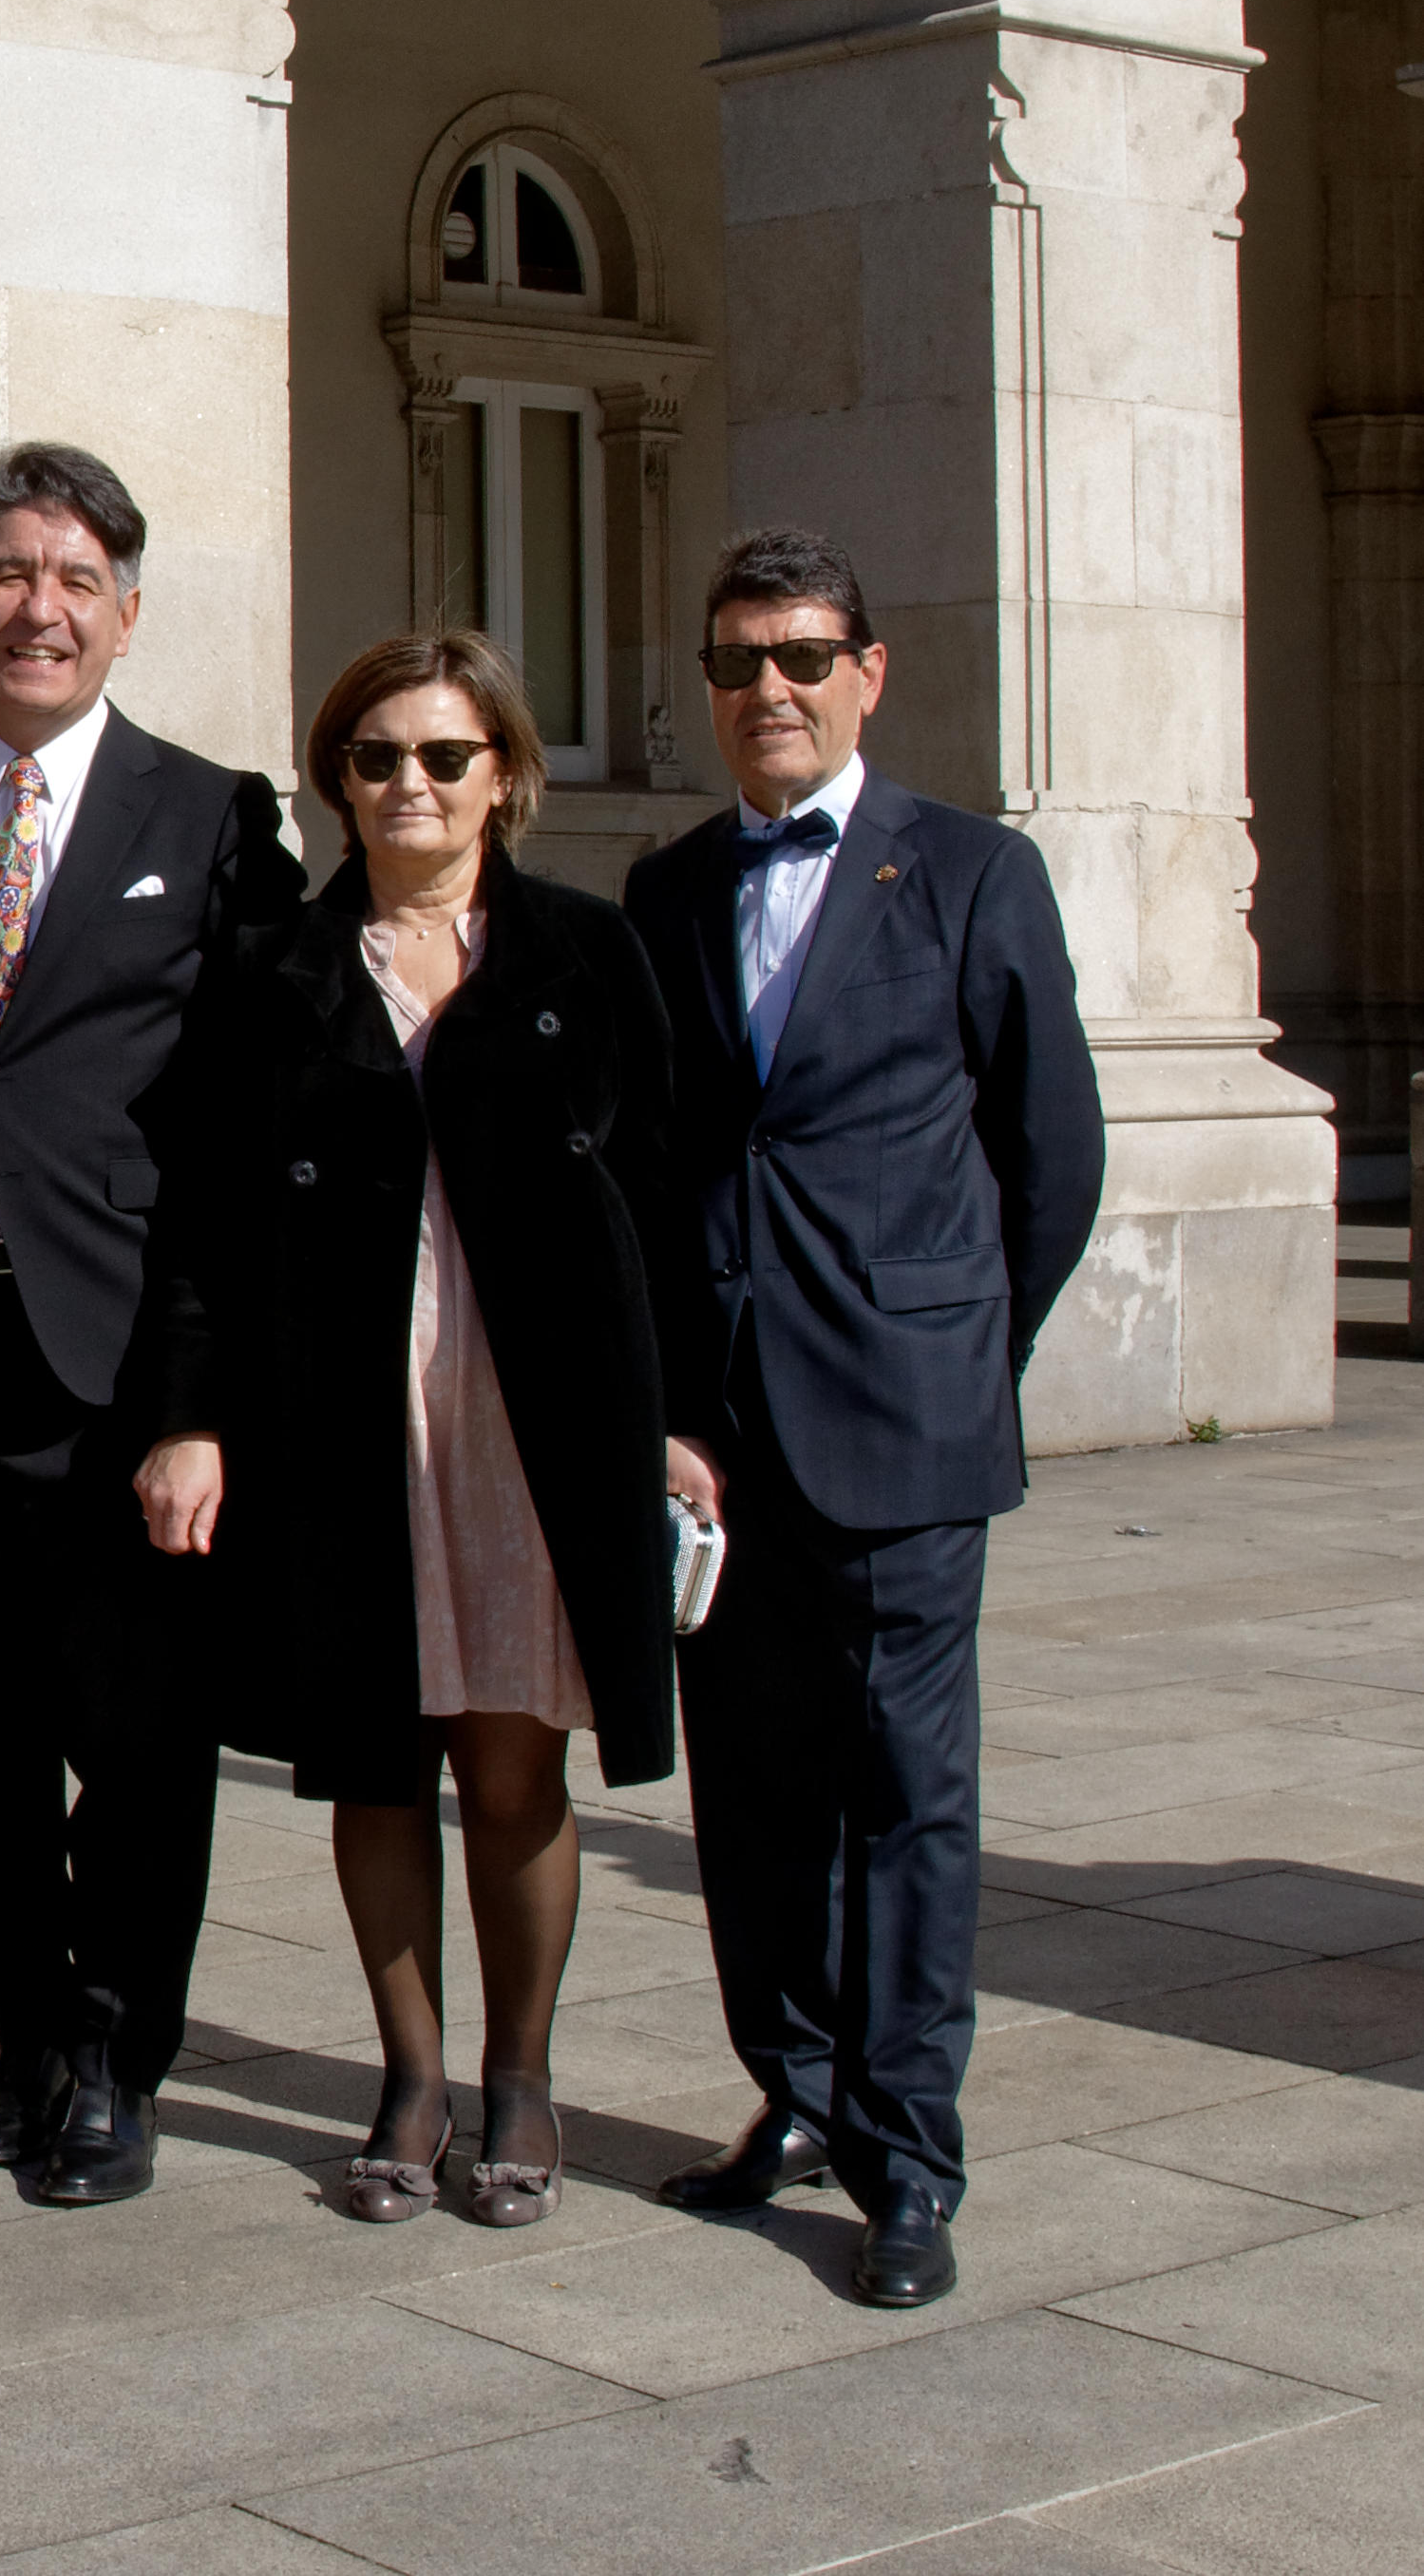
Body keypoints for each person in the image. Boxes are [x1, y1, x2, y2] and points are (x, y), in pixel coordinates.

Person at [136, 633, 680, 2228]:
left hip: (532, 1417)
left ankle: (521, 2080)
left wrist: (684, 1426)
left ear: (502, 773)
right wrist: (192, 1421)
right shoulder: (272, 974)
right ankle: (411, 2078)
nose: (409, 785)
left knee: (511, 1760)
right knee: (372, 1765)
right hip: (336, 1410)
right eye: (377, 759)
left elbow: (665, 1196)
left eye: (444, 756)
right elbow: (200, 1226)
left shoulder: (585, 955)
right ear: (339, 781)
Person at [624, 528, 1104, 2311]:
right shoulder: (667, 893)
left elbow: (1049, 1155)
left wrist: (962, 1353)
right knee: (748, 1801)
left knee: (907, 1798)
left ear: (868, 672)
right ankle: (797, 2098)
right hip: (722, 1452)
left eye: (804, 657)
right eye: (738, 660)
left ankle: (909, 2158)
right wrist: (669, 1407)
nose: (770, 690)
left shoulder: (971, 875)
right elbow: (664, 1173)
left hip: (905, 1422)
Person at [0, 442, 302, 2208]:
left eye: (72, 578)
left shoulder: (207, 820)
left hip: (117, 1363)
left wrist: (199, 1401)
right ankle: (25, 2033)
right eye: (6, 572)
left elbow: (230, 1144)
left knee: (130, 1730)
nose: (36, 607)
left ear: (125, 610)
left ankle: (120, 2053)